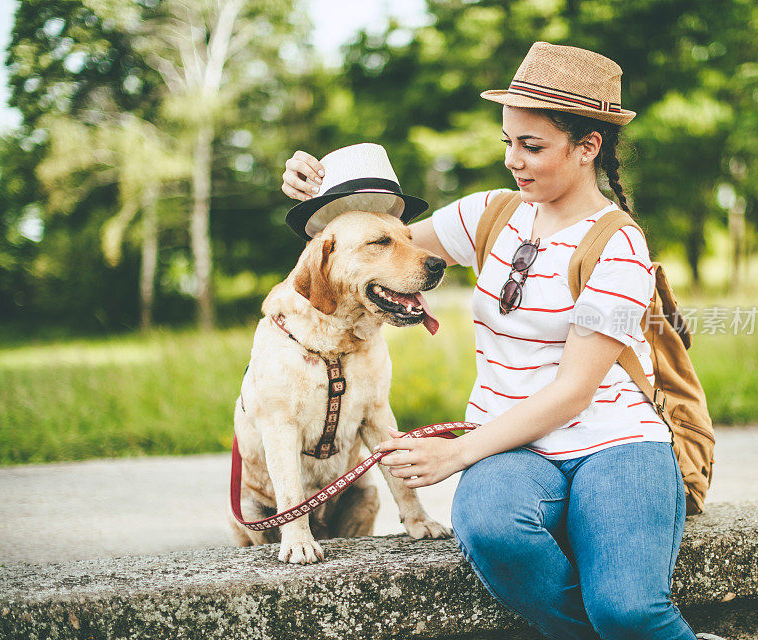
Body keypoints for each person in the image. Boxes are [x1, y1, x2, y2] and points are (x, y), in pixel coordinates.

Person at [281, 41, 726, 640]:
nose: (514, 161)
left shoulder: (618, 246)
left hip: (616, 442)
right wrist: (321, 197)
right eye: (508, 143)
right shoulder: (492, 214)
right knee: (494, 530)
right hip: (511, 446)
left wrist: (457, 454)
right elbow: (367, 251)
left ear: (588, 145)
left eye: (533, 146)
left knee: (626, 610)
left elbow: (573, 393)